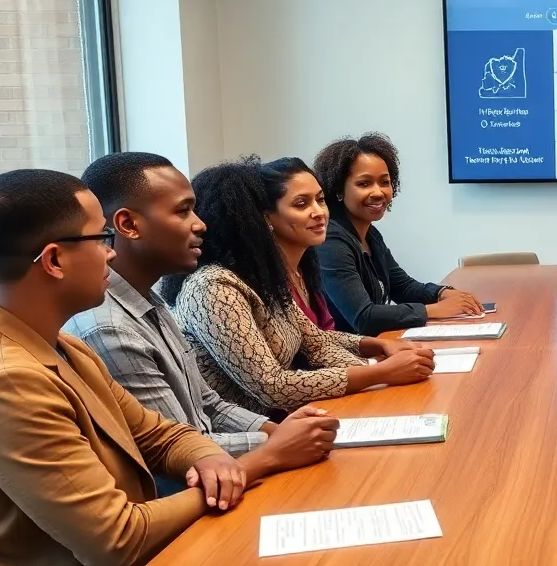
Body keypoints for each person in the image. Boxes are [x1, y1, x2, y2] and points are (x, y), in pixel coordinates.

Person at [0, 170, 246, 566]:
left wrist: (210, 458)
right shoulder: (8, 380)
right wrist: (250, 468)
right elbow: (120, 541)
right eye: (100, 239)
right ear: (54, 260)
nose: (112, 253)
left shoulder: (62, 345)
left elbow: (159, 435)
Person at [66, 153, 340, 485]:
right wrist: (276, 444)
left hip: (226, 468)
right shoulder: (110, 329)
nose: (200, 224)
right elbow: (176, 448)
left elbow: (208, 404)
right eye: (183, 211)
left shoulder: (150, 301)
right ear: (129, 225)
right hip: (194, 490)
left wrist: (276, 431)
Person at [162, 158, 435, 418]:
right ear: (258, 219)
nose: (318, 212)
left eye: (320, 200)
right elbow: (272, 387)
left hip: (287, 421)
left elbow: (316, 341)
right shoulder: (213, 286)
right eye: (301, 204)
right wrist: (380, 373)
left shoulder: (260, 276)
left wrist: (380, 352)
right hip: (248, 435)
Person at [313, 133, 482, 336]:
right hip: (347, 351)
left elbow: (402, 287)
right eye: (364, 184)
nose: (378, 192)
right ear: (338, 190)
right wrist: (435, 310)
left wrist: (441, 293)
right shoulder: (330, 242)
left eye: (385, 182)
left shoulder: (370, 234)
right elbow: (364, 318)